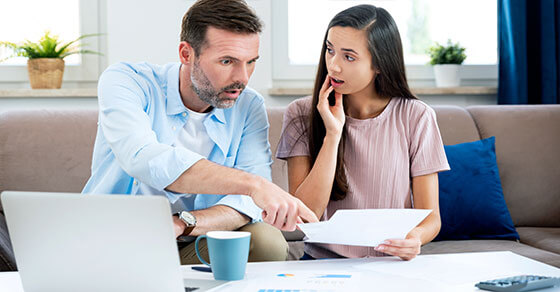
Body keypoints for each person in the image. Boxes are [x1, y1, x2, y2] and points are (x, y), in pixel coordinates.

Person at [83, 0, 318, 264]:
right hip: (115, 240)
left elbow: (248, 205)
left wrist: (183, 224)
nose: (243, 77)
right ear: (186, 54)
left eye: (250, 62)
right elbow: (143, 158)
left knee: (266, 241)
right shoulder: (127, 81)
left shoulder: (248, 106)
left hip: (191, 240)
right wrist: (254, 184)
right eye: (227, 61)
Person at [277, 4, 450, 261]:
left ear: (379, 64)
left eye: (349, 57)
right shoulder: (301, 114)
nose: (333, 66)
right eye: (330, 50)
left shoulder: (417, 117)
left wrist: (414, 239)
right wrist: (333, 135)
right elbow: (304, 216)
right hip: (321, 265)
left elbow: (431, 217)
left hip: (390, 266)